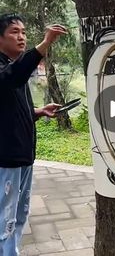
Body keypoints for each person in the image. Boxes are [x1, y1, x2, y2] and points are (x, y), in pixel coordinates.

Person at [0, 13, 67, 255]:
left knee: (19, 212)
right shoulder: (7, 68)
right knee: (4, 217)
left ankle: (11, 251)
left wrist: (37, 111)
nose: (21, 37)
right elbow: (11, 78)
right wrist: (45, 43)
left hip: (24, 155)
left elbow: (10, 107)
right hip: (7, 158)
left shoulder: (12, 66)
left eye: (24, 32)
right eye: (14, 32)